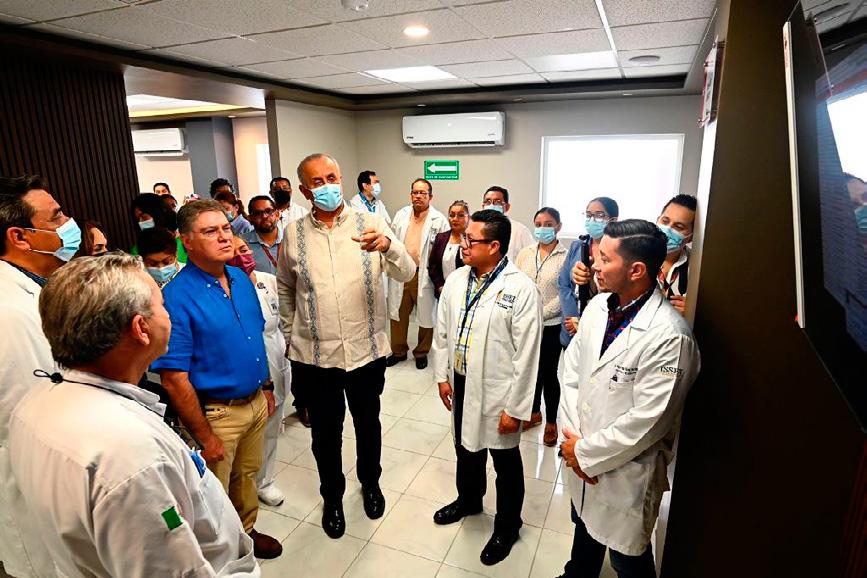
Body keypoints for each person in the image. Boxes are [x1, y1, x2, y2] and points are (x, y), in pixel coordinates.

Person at [8, 254, 260, 577]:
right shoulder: (131, 459)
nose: (168, 315)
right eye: (162, 306)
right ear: (141, 328)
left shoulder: (36, 401)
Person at [277, 153, 415, 539]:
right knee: (325, 434)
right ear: (305, 190)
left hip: (365, 351)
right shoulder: (294, 234)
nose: (327, 186)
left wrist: (388, 246)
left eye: (332, 177)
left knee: (368, 425)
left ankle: (370, 484)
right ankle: (332, 498)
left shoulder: (371, 223)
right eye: (317, 181)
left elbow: (407, 272)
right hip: (315, 357)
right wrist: (290, 335)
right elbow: (286, 288)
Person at [557, 220, 700, 578]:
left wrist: (586, 454)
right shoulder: (597, 307)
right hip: (581, 448)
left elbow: (649, 422)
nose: (594, 265)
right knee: (584, 526)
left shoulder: (670, 337)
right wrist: (574, 443)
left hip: (625, 472)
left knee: (627, 559)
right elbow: (571, 373)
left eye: (605, 259)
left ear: (636, 270)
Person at [151, 200, 283, 560]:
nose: (225, 237)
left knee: (247, 476)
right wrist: (205, 436)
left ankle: (247, 531)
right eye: (211, 231)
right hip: (217, 413)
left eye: (226, 228)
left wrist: (267, 386)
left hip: (254, 401)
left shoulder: (240, 279)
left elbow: (256, 337)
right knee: (213, 490)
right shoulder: (175, 298)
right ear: (187, 242)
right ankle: (220, 553)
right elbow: (174, 378)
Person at [431, 209, 542, 566]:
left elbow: (528, 355)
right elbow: (442, 331)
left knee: (505, 460)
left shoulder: (520, 289)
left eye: (471, 239)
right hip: (462, 381)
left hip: (499, 390)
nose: (462, 244)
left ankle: (508, 526)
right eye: (464, 237)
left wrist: (517, 408)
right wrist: (442, 376)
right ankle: (469, 500)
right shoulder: (457, 279)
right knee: (466, 447)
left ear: (494, 246)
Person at [0, 175, 79, 578]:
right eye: (57, 217)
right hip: (39, 481)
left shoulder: (44, 287)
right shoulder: (9, 313)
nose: (69, 224)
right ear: (20, 237)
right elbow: (27, 418)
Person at [230, 235, 292, 508]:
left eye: (244, 249)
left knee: (271, 427)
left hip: (278, 362)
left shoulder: (268, 281)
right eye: (234, 254)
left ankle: (264, 481)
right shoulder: (227, 288)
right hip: (249, 369)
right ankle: (241, 485)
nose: (241, 256)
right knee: (248, 431)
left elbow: (285, 319)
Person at [515, 207, 568, 446]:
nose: (543, 228)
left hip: (551, 324)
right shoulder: (525, 253)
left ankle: (552, 422)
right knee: (530, 370)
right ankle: (534, 413)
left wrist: (539, 314)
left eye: (548, 224)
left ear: (558, 226)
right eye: (538, 224)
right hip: (525, 323)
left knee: (548, 373)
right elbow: (517, 283)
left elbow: (565, 293)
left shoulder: (565, 256)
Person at [386, 178, 448, 370]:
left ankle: (421, 352)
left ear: (430, 196)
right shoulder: (401, 215)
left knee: (426, 315)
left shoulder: (439, 220)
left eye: (423, 193)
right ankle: (398, 351)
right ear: (411, 195)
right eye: (415, 192)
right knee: (398, 314)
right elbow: (392, 241)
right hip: (402, 272)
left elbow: (442, 251)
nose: (418, 196)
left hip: (424, 274)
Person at [560, 197, 619, 348]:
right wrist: (572, 316)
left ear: (613, 220)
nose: (592, 220)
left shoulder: (620, 250)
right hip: (572, 324)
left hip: (604, 324)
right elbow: (563, 284)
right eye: (588, 215)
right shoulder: (578, 246)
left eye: (599, 215)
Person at [656, 194, 696, 316]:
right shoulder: (631, 255)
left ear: (691, 237)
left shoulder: (698, 270)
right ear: (657, 220)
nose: (667, 229)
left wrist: (692, 314)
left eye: (678, 227)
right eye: (665, 221)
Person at [428, 200, 469, 298]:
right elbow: (433, 266)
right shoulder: (440, 238)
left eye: (460, 215)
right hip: (443, 291)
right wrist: (440, 286)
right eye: (452, 215)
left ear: (468, 217)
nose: (455, 219)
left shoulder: (471, 239)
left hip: (464, 292)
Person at [130, 193, 187, 263]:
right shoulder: (137, 250)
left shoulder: (184, 241)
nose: (140, 222)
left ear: (158, 214)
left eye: (144, 217)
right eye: (137, 219)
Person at [482, 186, 534, 262]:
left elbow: (530, 260)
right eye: (488, 201)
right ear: (483, 206)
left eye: (497, 202)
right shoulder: (475, 229)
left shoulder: (520, 231)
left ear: (507, 207)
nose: (492, 205)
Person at [243, 195, 282, 276]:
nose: (264, 216)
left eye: (269, 211)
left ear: (277, 214)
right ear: (250, 219)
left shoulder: (290, 238)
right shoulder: (242, 244)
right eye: (258, 213)